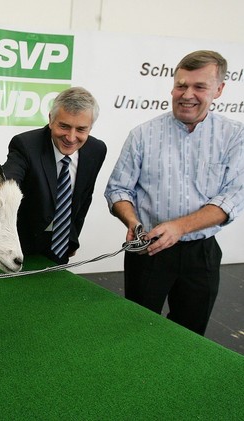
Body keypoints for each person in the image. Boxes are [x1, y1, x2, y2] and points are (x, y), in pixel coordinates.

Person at [104, 50, 244, 335]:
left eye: (199, 87)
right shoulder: (143, 135)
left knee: (191, 334)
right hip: (148, 250)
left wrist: (179, 227)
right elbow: (118, 189)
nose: (187, 94)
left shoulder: (235, 136)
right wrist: (133, 222)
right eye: (181, 85)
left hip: (200, 254)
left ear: (219, 90)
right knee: (137, 329)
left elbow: (233, 196)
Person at [2, 87, 107, 264]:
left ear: (91, 127)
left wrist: (72, 237)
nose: (71, 137)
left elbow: (84, 198)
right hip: (21, 245)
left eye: (81, 129)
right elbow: (7, 183)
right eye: (64, 126)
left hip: (61, 243)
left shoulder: (96, 150)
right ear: (51, 119)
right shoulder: (26, 145)